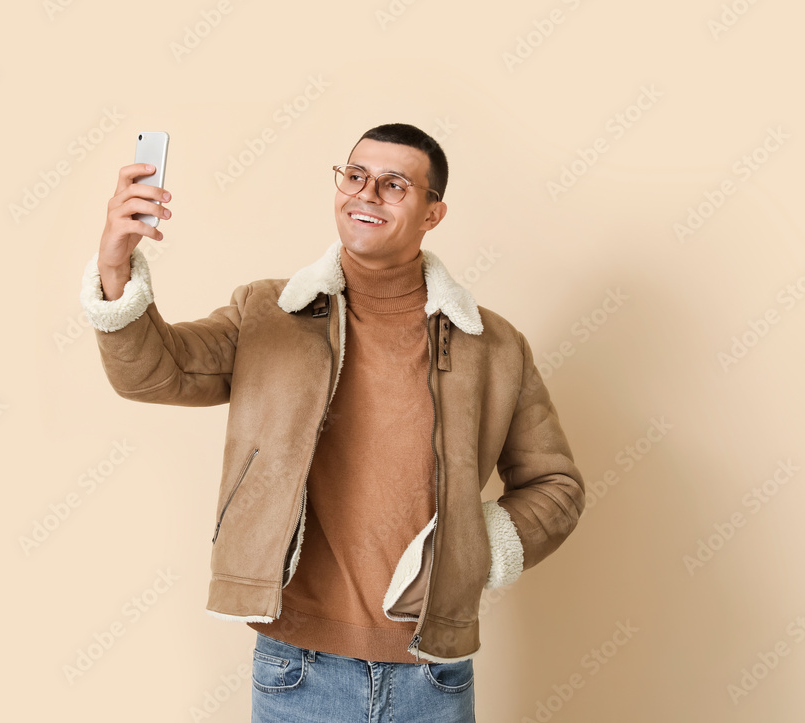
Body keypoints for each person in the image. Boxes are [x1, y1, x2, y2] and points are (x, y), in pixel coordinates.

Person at [79, 123, 585, 722]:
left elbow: (557, 488)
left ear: (433, 213)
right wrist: (116, 263)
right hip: (298, 668)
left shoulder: (494, 345)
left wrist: (475, 550)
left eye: (395, 184)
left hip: (434, 674)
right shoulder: (268, 312)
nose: (367, 194)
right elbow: (152, 374)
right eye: (355, 176)